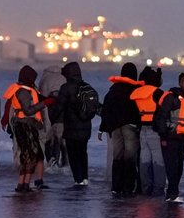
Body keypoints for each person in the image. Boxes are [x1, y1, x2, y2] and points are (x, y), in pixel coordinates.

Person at [2, 65, 50, 192]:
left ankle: (22, 184)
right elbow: (28, 111)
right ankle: (24, 184)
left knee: (30, 154)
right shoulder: (23, 92)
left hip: (26, 124)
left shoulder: (26, 89)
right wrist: (45, 104)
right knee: (30, 156)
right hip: (24, 125)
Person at [98, 62, 142, 196]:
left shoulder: (113, 90)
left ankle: (116, 187)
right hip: (130, 126)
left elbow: (106, 110)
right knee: (130, 158)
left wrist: (102, 128)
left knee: (117, 157)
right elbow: (138, 110)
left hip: (114, 128)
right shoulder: (135, 90)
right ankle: (128, 187)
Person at [56, 61, 97, 186]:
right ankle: (85, 178)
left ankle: (78, 180)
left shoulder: (66, 88)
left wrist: (52, 119)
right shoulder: (86, 87)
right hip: (86, 127)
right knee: (83, 153)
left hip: (71, 128)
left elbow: (59, 107)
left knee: (73, 155)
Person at [131, 66, 169, 196]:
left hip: (142, 131)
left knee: (144, 160)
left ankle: (146, 188)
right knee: (158, 161)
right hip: (155, 130)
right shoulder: (158, 93)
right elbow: (165, 111)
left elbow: (135, 113)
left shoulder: (137, 93)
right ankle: (158, 190)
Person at [160, 71, 184, 203]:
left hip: (183, 138)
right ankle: (173, 194)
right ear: (179, 83)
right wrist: (163, 137)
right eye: (183, 82)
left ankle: (171, 193)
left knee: (179, 167)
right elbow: (162, 116)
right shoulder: (172, 97)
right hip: (170, 137)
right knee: (171, 167)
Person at [39, 66, 68, 171]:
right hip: (63, 115)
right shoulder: (64, 78)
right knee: (62, 141)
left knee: (49, 140)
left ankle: (51, 162)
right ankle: (65, 164)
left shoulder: (45, 79)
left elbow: (41, 99)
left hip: (49, 114)